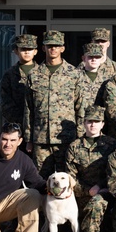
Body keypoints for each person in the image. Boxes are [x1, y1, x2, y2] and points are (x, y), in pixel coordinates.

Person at [62, 106, 116, 232]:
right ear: (83, 123)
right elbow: (69, 179)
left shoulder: (112, 145)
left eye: (96, 121)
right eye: (89, 121)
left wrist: (101, 187)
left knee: (98, 202)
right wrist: (88, 190)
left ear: (102, 124)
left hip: (106, 194)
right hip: (80, 196)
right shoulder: (74, 147)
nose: (92, 125)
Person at [26, 30, 83, 176]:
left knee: (67, 180)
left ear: (62, 48)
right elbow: (29, 109)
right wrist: (28, 138)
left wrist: (81, 136)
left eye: (56, 46)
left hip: (66, 138)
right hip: (41, 138)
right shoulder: (34, 74)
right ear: (44, 48)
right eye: (49, 45)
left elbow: (80, 107)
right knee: (40, 181)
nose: (53, 49)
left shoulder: (73, 74)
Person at [0, 33, 38, 132]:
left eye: (30, 49)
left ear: (35, 51)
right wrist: (20, 121)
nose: (27, 52)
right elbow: (6, 103)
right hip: (17, 126)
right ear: (16, 51)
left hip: (39, 126)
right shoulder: (9, 74)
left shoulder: (43, 73)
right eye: (23, 49)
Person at [75, 43, 109, 133]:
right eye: (90, 56)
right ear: (84, 58)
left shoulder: (108, 79)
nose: (94, 59)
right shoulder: (74, 77)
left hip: (100, 126)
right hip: (79, 125)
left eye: (97, 57)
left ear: (101, 59)